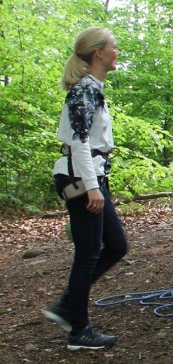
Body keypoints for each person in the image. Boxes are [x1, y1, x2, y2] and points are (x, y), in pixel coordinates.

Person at [42, 27, 129, 350]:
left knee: (116, 246)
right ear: (99, 54)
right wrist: (93, 188)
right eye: (114, 47)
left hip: (90, 176)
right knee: (89, 253)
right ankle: (78, 329)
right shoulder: (84, 91)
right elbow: (78, 143)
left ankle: (67, 306)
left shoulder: (93, 89)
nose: (117, 52)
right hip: (81, 178)